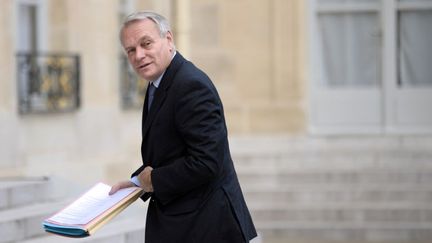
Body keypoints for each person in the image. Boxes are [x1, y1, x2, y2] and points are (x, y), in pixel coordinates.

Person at [109, 11, 257, 242]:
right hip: (187, 223)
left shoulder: (190, 85)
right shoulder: (159, 81)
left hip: (208, 227)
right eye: (130, 50)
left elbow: (207, 162)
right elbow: (172, 152)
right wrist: (137, 182)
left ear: (168, 39)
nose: (139, 55)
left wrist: (154, 180)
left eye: (146, 43)